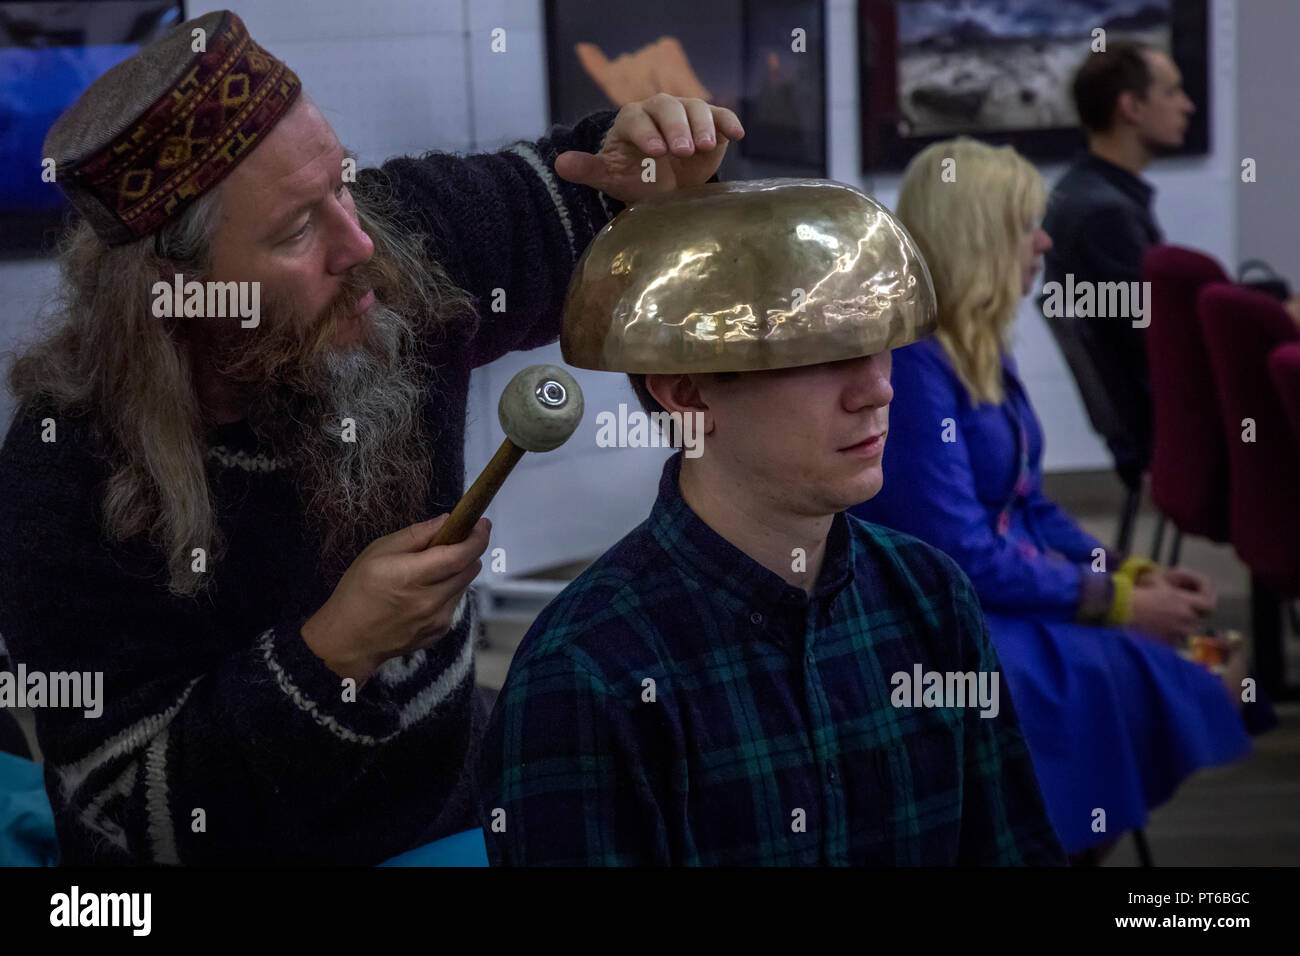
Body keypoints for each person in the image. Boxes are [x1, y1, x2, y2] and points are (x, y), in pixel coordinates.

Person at [0, 9, 740, 865]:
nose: (357, 244)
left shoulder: (388, 242)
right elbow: (139, 816)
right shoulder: (67, 471)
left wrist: (646, 162)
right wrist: (335, 652)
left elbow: (582, 187)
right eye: (294, 231)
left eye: (341, 184)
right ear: (176, 289)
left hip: (456, 808)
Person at [476, 179, 1066, 866]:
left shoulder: (931, 597)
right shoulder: (584, 674)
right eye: (821, 356)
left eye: (878, 344)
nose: (878, 389)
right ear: (689, 393)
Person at [851, 138, 1251, 858]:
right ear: (976, 234)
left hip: (1001, 602)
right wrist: (1116, 601)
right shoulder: (913, 362)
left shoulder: (975, 344)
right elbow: (959, 555)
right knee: (1198, 672)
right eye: (1025, 224)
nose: (1043, 241)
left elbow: (1028, 505)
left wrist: (1128, 571)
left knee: (1210, 661)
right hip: (944, 628)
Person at [1041, 40, 1195, 486]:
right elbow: (1157, 342)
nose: (1187, 106)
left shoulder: (1085, 194)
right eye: (1172, 92)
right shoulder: (1102, 213)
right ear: (1131, 106)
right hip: (1161, 435)